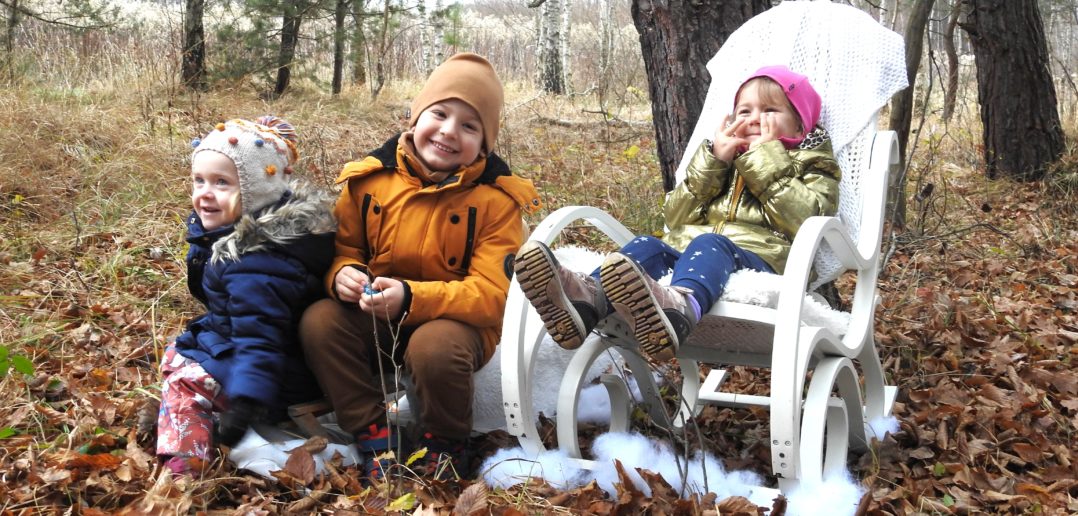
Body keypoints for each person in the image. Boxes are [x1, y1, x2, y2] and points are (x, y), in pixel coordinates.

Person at [299, 53, 541, 480]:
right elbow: (344, 248)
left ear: (484, 144)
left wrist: (411, 298)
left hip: (456, 324)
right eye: (440, 114)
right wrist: (343, 275)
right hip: (378, 312)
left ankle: (445, 440)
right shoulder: (368, 181)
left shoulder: (496, 202)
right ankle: (371, 430)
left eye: (469, 126)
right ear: (415, 116)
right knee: (319, 321)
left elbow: (493, 295)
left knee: (433, 347)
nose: (449, 131)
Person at [515, 65, 840, 359]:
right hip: (696, 250)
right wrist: (715, 160)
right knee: (647, 245)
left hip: (764, 257)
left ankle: (680, 308)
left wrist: (766, 158)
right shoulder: (722, 160)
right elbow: (676, 216)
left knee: (711, 244)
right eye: (744, 110)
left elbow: (807, 217)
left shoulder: (809, 161)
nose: (754, 118)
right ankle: (586, 302)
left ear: (799, 124)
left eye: (770, 110)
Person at [156, 116, 334, 476]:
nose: (205, 192)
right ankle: (184, 417)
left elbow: (260, 338)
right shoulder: (233, 237)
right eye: (199, 180)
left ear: (255, 192)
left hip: (275, 376)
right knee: (178, 353)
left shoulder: (255, 262)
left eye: (222, 183)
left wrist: (248, 401)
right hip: (245, 352)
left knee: (187, 381)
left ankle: (184, 468)